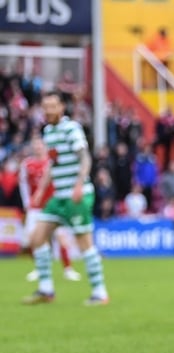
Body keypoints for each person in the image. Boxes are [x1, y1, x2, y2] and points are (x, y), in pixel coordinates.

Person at [23, 91, 110, 306]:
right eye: (45, 106)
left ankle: (100, 292)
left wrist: (79, 185)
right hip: (58, 197)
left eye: (52, 106)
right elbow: (54, 164)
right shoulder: (49, 132)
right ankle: (46, 290)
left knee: (84, 244)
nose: (48, 110)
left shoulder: (71, 128)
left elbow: (85, 158)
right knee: (36, 238)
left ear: (62, 107)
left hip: (76, 195)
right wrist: (41, 190)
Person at [19, 136, 82, 282]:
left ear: (45, 146)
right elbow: (23, 186)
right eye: (35, 145)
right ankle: (39, 269)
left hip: (53, 206)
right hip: (35, 208)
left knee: (61, 237)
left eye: (40, 145)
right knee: (33, 240)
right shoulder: (27, 164)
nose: (38, 147)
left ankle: (68, 269)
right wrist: (27, 204)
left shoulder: (52, 162)